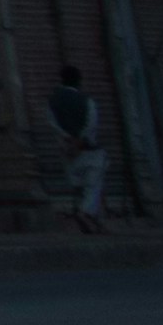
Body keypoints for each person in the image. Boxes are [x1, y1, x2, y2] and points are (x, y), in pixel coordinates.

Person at [49, 64, 110, 229]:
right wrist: (79, 141)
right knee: (93, 184)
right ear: (78, 81)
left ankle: (94, 221)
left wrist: (66, 140)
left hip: (66, 150)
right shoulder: (86, 101)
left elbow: (53, 124)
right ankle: (85, 212)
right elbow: (91, 125)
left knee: (77, 186)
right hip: (87, 149)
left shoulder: (52, 101)